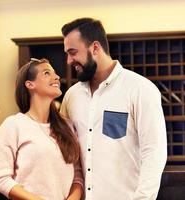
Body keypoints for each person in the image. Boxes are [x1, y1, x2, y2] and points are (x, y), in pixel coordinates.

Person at [60, 17, 167, 200]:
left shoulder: (140, 89)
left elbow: (154, 152)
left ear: (95, 48)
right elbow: (65, 152)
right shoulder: (71, 96)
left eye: (73, 52)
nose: (69, 60)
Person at [0, 58, 84, 200]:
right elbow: (1, 179)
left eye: (55, 73)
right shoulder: (13, 125)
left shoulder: (67, 126)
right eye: (47, 73)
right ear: (30, 84)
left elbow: (77, 176)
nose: (56, 77)